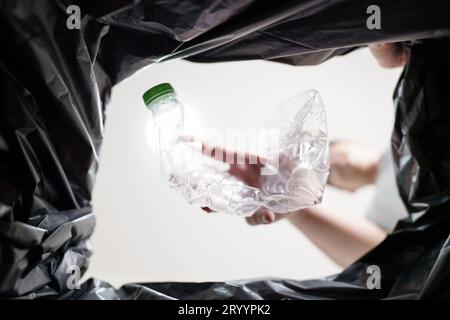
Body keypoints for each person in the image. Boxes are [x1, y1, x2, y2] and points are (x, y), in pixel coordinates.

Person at [201, 43, 410, 268]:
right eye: (328, 174)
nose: (332, 163)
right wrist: (295, 208)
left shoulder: (408, 126)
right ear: (350, 190)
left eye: (332, 152)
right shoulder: (377, 216)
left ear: (358, 143)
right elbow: (387, 266)